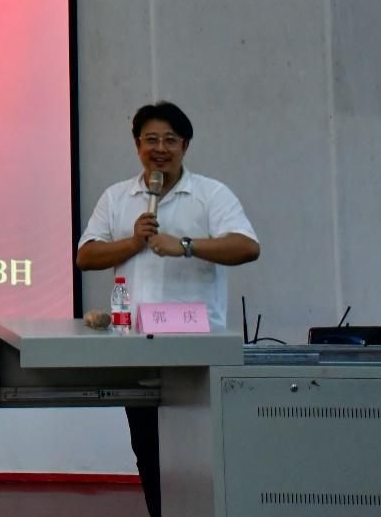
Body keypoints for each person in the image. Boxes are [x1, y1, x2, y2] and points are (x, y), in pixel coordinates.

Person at [76, 101, 259, 517]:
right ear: (137, 145)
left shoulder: (211, 194)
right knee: (149, 451)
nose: (160, 148)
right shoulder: (117, 197)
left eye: (170, 140)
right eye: (151, 140)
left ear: (185, 145)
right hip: (138, 350)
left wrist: (186, 246)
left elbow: (247, 246)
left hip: (198, 350)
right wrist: (132, 242)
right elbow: (86, 256)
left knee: (201, 454)